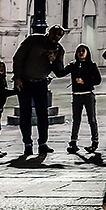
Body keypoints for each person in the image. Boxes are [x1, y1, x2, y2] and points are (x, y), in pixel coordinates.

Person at [12, 25, 66, 156]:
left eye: (59, 35)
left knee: (43, 115)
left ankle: (42, 143)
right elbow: (18, 58)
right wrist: (17, 77)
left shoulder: (58, 50)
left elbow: (59, 72)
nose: (56, 36)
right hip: (24, 82)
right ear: (49, 32)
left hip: (41, 84)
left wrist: (52, 62)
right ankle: (27, 144)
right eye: (55, 33)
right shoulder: (33, 40)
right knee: (25, 114)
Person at [60, 44, 102, 154]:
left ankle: (95, 141)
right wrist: (53, 62)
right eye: (79, 51)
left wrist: (85, 82)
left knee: (91, 119)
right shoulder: (73, 65)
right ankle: (73, 142)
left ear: (87, 53)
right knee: (76, 120)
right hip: (76, 95)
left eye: (83, 51)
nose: (81, 53)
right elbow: (60, 73)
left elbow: (98, 80)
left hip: (88, 94)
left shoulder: (91, 65)